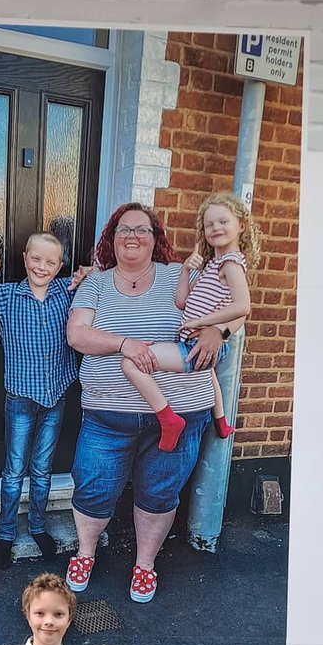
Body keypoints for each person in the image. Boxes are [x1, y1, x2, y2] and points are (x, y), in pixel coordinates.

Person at [66, 202, 239, 604]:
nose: (132, 236)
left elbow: (233, 301)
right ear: (112, 238)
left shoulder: (179, 275)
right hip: (109, 412)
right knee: (92, 486)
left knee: (160, 492)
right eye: (124, 230)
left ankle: (145, 564)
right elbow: (78, 335)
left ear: (155, 238)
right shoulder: (95, 283)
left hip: (181, 409)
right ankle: (85, 553)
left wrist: (220, 332)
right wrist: (125, 343)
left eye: (142, 230)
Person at [119, 192, 260, 451]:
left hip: (193, 344)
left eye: (223, 221)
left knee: (131, 364)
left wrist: (206, 323)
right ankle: (221, 421)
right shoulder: (214, 265)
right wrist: (185, 269)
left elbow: (243, 306)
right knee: (209, 375)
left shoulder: (231, 264)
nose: (216, 227)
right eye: (209, 224)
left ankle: (169, 419)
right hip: (194, 341)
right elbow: (182, 301)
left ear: (241, 225)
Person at [0, 232, 80, 570]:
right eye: (36, 258)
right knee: (14, 471)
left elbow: (102, 274)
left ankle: (39, 526)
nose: (42, 266)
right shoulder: (5, 296)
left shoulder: (68, 291)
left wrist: (88, 272)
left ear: (60, 266)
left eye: (51, 261)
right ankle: (6, 533)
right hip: (20, 398)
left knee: (42, 470)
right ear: (25, 256)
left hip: (55, 396)